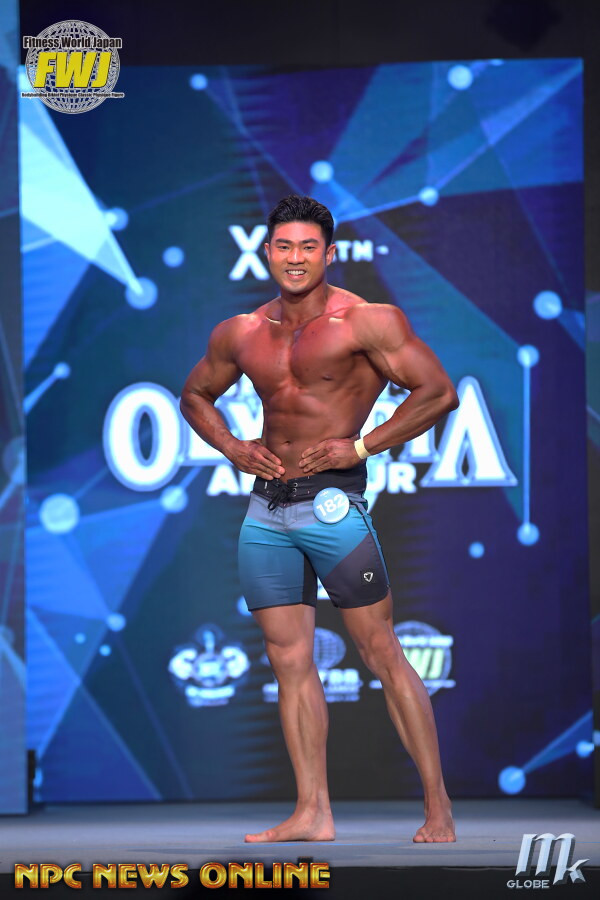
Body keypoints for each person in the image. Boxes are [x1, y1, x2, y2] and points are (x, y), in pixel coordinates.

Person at [180, 194, 459, 844]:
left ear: (329, 254)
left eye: (308, 247)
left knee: (380, 651)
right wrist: (234, 448)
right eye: (284, 246)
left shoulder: (366, 321)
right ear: (266, 252)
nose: (296, 258)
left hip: (335, 506)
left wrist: (360, 446)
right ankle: (313, 811)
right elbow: (194, 395)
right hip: (266, 511)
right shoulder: (242, 331)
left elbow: (438, 392)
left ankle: (438, 809)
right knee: (288, 660)